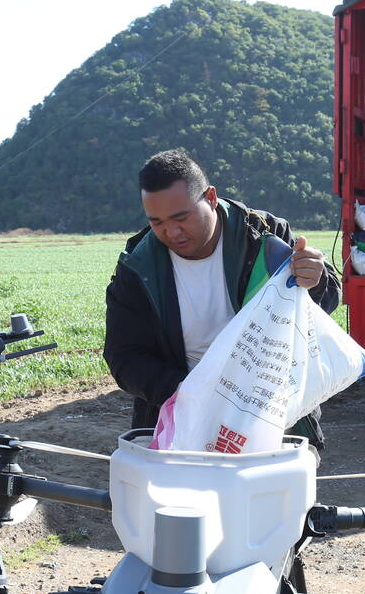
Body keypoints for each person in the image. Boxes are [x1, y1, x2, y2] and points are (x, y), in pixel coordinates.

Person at [102, 149, 340, 449]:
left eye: (181, 217)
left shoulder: (265, 237)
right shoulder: (137, 266)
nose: (171, 232)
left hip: (273, 415)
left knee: (275, 494)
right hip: (182, 419)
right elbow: (124, 357)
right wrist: (192, 392)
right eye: (157, 222)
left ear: (210, 197)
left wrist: (316, 279)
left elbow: (327, 300)